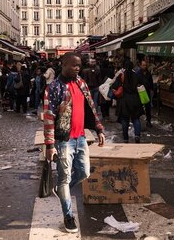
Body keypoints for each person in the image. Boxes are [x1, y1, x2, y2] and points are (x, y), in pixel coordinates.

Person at [44, 52, 105, 233]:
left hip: (80, 138)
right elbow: (48, 117)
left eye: (79, 65)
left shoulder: (82, 83)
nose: (77, 68)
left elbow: (91, 108)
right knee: (64, 178)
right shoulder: (54, 87)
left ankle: (62, 190)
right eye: (73, 65)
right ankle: (68, 216)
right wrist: (49, 145)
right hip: (64, 141)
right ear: (63, 65)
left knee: (84, 172)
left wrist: (99, 128)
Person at [111, 60, 146, 143]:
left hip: (124, 100)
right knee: (136, 118)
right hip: (135, 99)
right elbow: (144, 83)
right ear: (132, 67)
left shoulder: (121, 76)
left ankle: (125, 138)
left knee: (125, 119)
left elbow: (114, 86)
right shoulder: (136, 75)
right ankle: (137, 135)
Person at [136, 60, 155, 128]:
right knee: (139, 107)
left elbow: (151, 81)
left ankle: (148, 121)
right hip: (140, 92)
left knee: (148, 107)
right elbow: (135, 82)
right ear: (140, 65)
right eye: (143, 65)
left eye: (145, 65)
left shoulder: (148, 73)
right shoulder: (137, 73)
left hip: (147, 92)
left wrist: (152, 89)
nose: (145, 66)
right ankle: (137, 121)